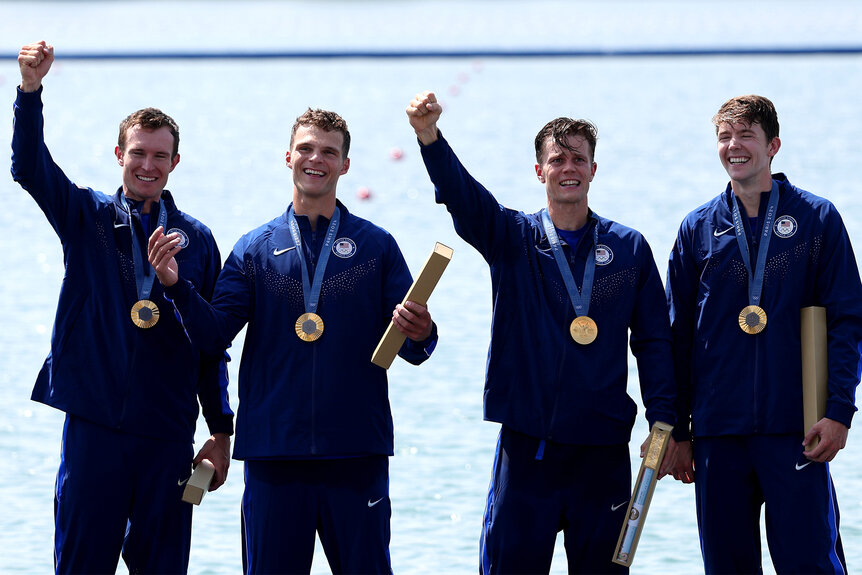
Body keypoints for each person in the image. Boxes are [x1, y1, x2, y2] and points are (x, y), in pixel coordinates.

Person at [148, 107, 439, 574]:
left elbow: (414, 346)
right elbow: (213, 334)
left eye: (329, 151)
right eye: (306, 149)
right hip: (273, 456)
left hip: (356, 453)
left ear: (345, 165)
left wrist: (422, 331)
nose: (315, 159)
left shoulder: (376, 247)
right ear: (288, 157)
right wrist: (177, 287)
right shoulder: (254, 248)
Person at [406, 91, 677, 574]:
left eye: (578, 158)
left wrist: (665, 424)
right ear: (539, 172)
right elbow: (464, 198)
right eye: (557, 159)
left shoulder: (629, 248)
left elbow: (654, 342)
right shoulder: (512, 238)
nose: (568, 167)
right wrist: (429, 137)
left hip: (602, 451)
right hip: (528, 449)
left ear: (594, 170)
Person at [11, 41, 234, 574]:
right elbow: (29, 168)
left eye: (160, 155)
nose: (148, 165)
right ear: (119, 156)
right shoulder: (86, 216)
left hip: (167, 441)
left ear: (175, 162)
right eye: (138, 153)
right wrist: (29, 91)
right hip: (95, 433)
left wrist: (221, 431)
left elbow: (212, 345)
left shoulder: (198, 242)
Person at [665, 94, 862, 573]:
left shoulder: (818, 219)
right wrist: (677, 430)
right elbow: (675, 340)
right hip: (718, 434)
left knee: (810, 564)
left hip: (796, 430)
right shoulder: (697, 228)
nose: (735, 146)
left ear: (773, 145)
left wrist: (839, 411)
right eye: (725, 137)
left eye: (746, 135)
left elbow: (848, 322)